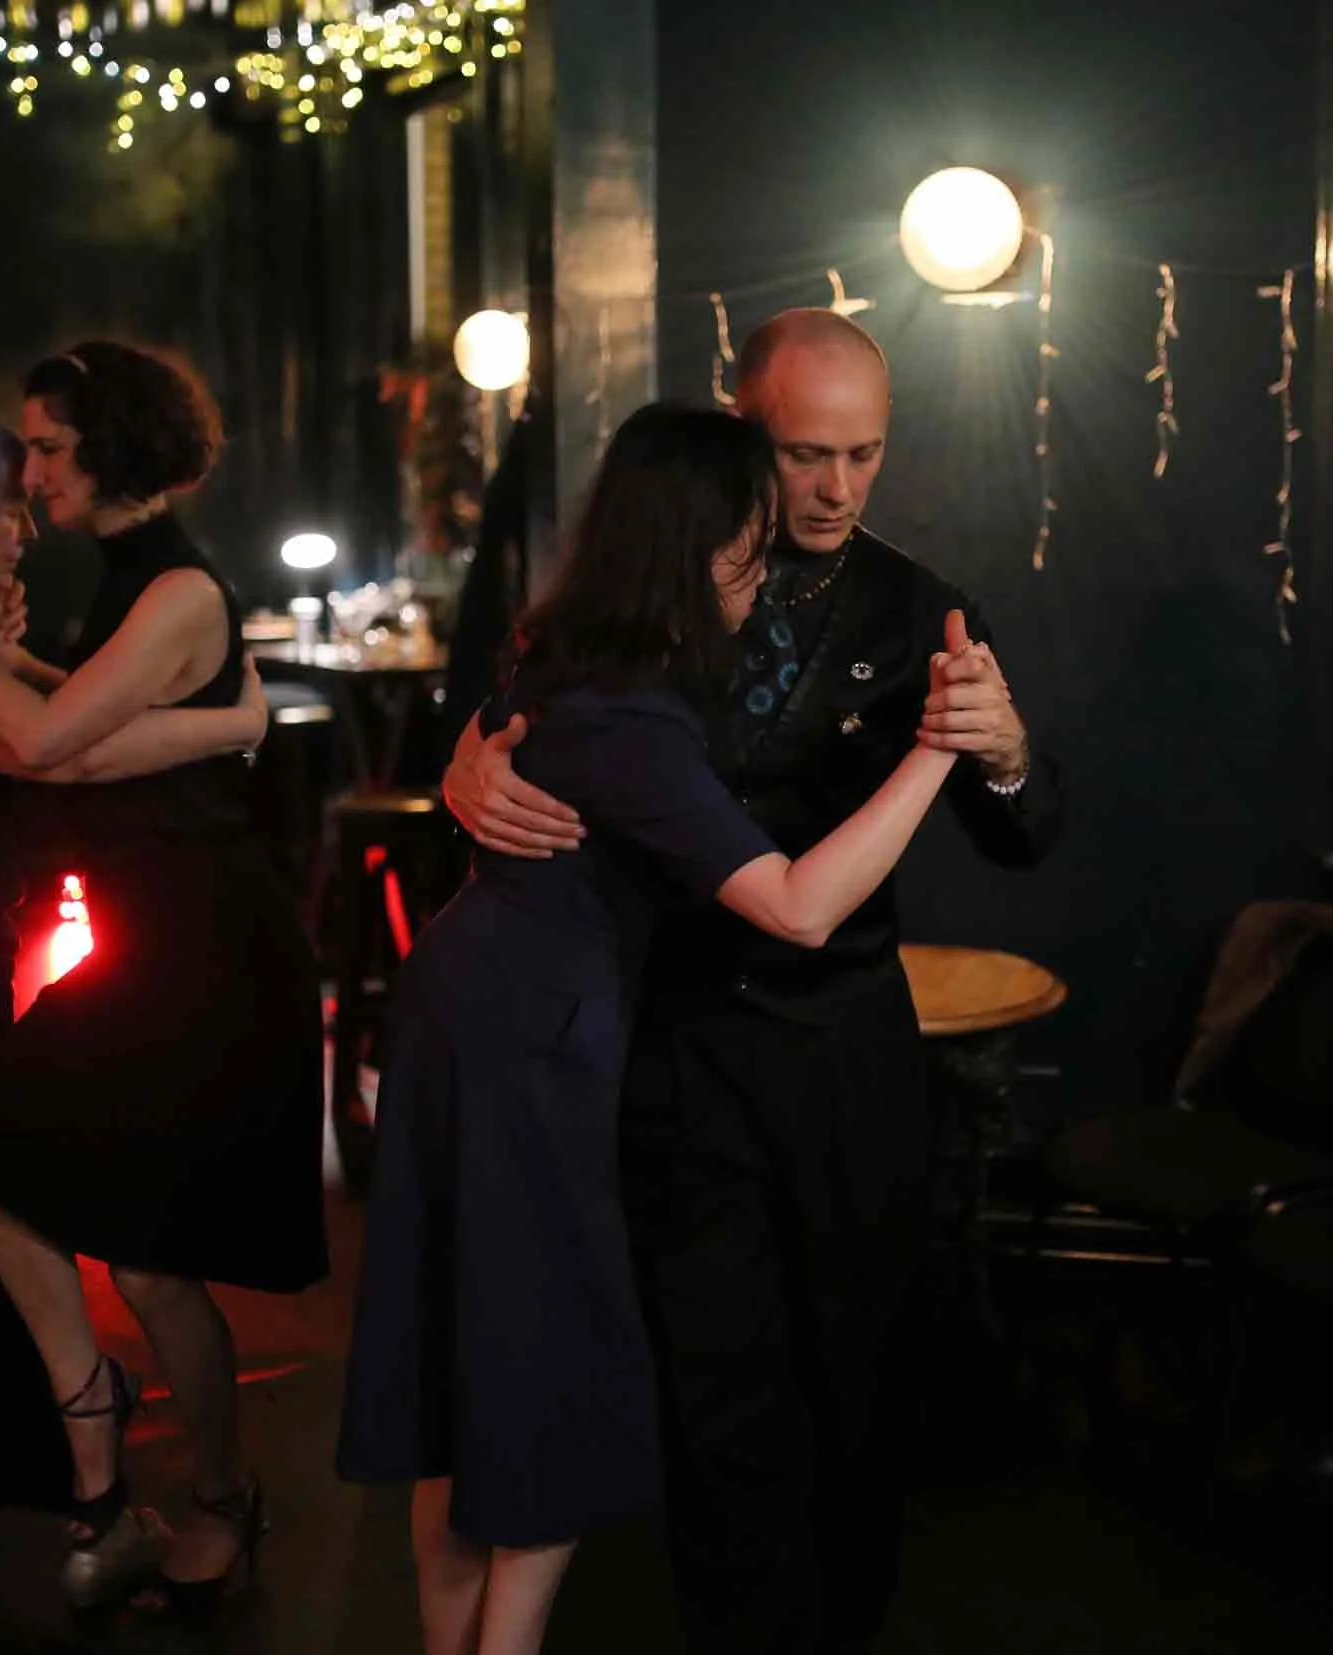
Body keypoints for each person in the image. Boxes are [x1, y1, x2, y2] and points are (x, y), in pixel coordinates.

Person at [444, 310, 1064, 1654]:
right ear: (742, 431)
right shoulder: (652, 579)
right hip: (661, 1041)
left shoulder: (918, 604)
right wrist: (471, 766)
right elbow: (534, 710)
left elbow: (1027, 830)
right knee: (709, 1388)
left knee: (858, 1372)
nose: (839, 488)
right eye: (805, 455)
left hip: (842, 1046)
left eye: (866, 453)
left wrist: (1006, 750)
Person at [338, 403, 978, 1655]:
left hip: (480, 1007)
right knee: (543, 1381)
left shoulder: (564, 651)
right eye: (748, 534)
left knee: (474, 1367)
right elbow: (795, 906)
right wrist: (936, 747)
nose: (762, 558)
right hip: (529, 1042)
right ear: (693, 542)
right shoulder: (628, 707)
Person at [0, 343, 328, 1613]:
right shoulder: (132, 581)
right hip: (155, 940)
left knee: (153, 1256)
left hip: (210, 948)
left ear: (108, 446)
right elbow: (86, 724)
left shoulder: (171, 588)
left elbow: (54, 745)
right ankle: (99, 1412)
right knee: (8, 1161)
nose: (31, 469)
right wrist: (225, 722)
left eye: (48, 445)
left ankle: (214, 1494)